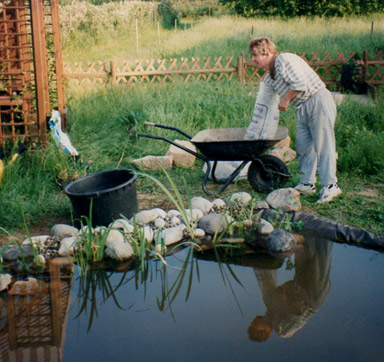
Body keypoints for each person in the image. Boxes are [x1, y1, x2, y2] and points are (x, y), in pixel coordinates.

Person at [248, 37, 342, 203]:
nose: (252, 59)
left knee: (323, 144)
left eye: (255, 55)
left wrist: (285, 99)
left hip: (317, 99)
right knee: (304, 147)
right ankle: (308, 183)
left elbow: (300, 84)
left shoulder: (284, 60)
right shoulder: (270, 76)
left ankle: (330, 186)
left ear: (267, 53)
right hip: (302, 106)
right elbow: (265, 100)